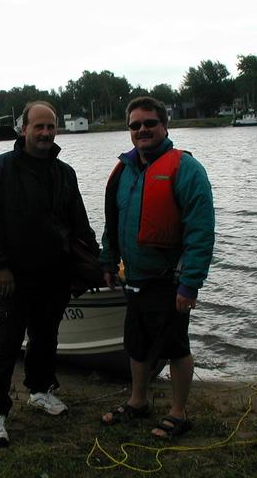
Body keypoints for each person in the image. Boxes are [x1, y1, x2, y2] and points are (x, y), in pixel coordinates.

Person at [0, 101, 98, 447]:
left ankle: (40, 391)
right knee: (6, 343)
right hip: (14, 276)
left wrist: (96, 265)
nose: (45, 133)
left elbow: (80, 226)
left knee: (46, 338)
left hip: (56, 274)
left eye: (50, 127)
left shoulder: (65, 173)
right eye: (38, 126)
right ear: (22, 129)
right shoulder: (0, 169)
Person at [99, 96, 215, 439]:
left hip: (170, 278)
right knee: (135, 344)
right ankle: (139, 401)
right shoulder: (124, 170)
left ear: (165, 125)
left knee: (175, 346)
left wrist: (189, 283)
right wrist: (108, 260)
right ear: (129, 131)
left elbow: (201, 231)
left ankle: (179, 413)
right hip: (134, 277)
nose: (142, 129)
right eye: (135, 125)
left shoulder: (187, 169)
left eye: (149, 123)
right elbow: (112, 224)